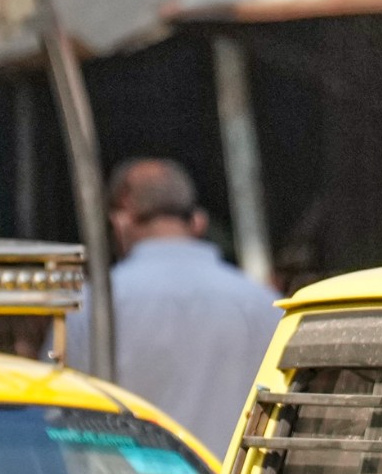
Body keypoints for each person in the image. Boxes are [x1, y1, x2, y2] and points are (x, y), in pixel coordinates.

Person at [63, 159, 279, 456]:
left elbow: (58, 412)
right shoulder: (266, 305)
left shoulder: (92, 306)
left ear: (120, 221)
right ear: (198, 222)